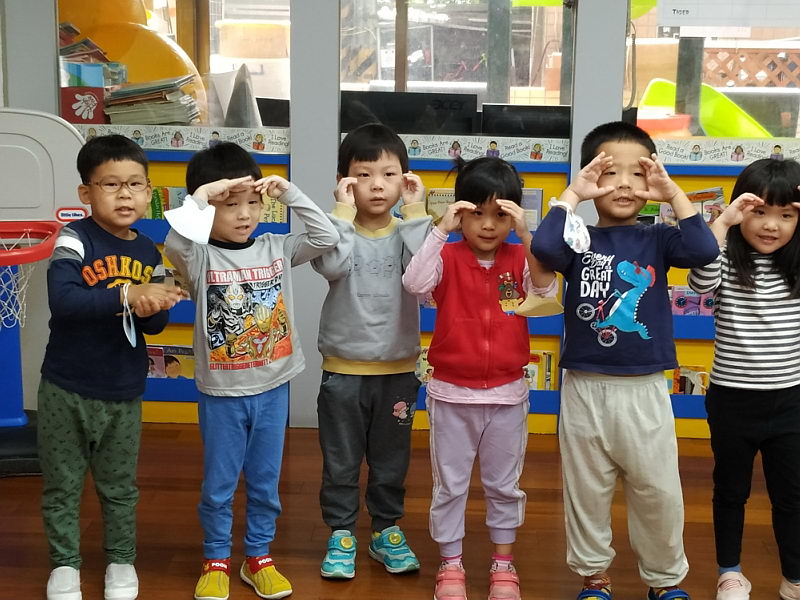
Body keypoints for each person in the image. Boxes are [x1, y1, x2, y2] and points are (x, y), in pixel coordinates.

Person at [532, 121, 720, 600]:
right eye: (609, 172)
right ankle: (594, 577)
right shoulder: (578, 238)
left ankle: (665, 578)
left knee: (658, 491)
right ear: (591, 177)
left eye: (637, 174)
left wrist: (672, 194)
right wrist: (572, 194)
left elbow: (704, 249)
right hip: (584, 387)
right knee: (586, 491)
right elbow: (544, 248)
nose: (623, 184)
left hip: (644, 387)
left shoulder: (659, 238)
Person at [164, 142, 339, 600]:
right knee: (219, 485)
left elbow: (326, 236)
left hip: (273, 389)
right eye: (230, 205)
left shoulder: (274, 248)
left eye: (252, 203)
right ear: (210, 208)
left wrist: (290, 193)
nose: (244, 215)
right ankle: (216, 558)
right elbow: (176, 242)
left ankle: (258, 556)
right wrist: (203, 195)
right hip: (221, 395)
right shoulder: (199, 257)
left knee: (264, 482)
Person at [403, 156, 558, 600]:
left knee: (504, 485)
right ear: (460, 213)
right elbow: (415, 284)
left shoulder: (520, 256)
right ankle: (451, 564)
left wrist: (528, 234)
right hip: (451, 394)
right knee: (450, 485)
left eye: (500, 215)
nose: (488, 225)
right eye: (477, 213)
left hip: (507, 396)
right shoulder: (446, 255)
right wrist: (440, 230)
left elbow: (546, 289)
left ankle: (503, 565)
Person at [39, 134, 185, 600]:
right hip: (65, 387)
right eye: (111, 184)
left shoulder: (150, 251)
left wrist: (156, 302)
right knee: (62, 486)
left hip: (123, 390)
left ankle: (121, 560)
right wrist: (128, 294)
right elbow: (64, 301)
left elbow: (156, 325)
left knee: (120, 486)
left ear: (149, 192)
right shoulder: (73, 238)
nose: (125, 195)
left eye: (135, 184)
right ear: (86, 192)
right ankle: (64, 565)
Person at [310, 123, 431, 580]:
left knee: (390, 462)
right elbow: (332, 264)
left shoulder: (411, 231)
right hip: (343, 371)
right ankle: (341, 533)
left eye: (389, 174)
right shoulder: (335, 230)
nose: (377, 185)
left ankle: (385, 530)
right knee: (340, 461)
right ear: (345, 182)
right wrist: (340, 212)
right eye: (363, 175)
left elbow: (425, 276)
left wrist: (416, 211)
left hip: (398, 371)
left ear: (405, 180)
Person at [687, 158, 800, 600]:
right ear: (740, 211)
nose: (771, 225)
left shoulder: (796, 266)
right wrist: (723, 221)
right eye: (759, 212)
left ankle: (794, 577)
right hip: (732, 400)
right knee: (731, 491)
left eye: (786, 215)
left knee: (791, 495)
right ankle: (729, 572)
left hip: (790, 401)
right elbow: (700, 281)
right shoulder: (726, 262)